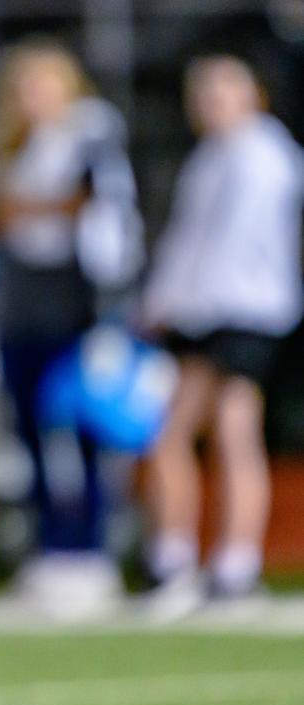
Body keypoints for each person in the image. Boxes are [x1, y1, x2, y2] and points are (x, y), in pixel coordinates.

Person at [0, 38, 141, 614]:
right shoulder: (7, 141)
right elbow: (0, 213)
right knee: (28, 429)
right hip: (20, 302)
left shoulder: (90, 134)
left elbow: (90, 207)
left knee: (83, 425)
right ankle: (51, 547)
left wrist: (35, 207)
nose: (35, 97)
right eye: (25, 87)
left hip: (74, 302)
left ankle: (91, 547)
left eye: (45, 84)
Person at [141, 54, 304, 603]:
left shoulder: (266, 154)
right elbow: (188, 240)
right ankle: (176, 556)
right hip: (202, 312)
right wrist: (162, 300)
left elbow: (232, 247)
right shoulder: (209, 158)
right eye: (203, 91)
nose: (211, 101)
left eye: (223, 89)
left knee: (234, 429)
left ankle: (235, 562)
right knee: (174, 433)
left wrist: (171, 302)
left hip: (244, 313)